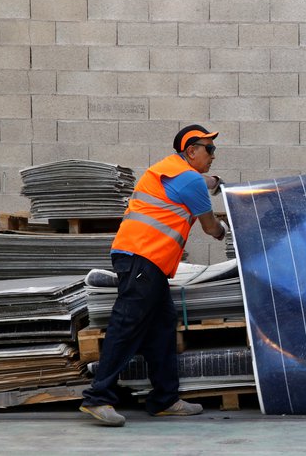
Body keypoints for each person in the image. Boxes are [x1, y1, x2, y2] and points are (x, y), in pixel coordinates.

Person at [80, 124, 230, 426]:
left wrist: (215, 181)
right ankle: (98, 398)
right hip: (142, 259)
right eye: (209, 149)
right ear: (191, 151)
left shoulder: (173, 170)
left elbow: (202, 180)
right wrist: (226, 230)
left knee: (162, 326)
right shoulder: (189, 180)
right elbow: (210, 226)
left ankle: (165, 399)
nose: (214, 155)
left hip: (147, 262)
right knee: (127, 325)